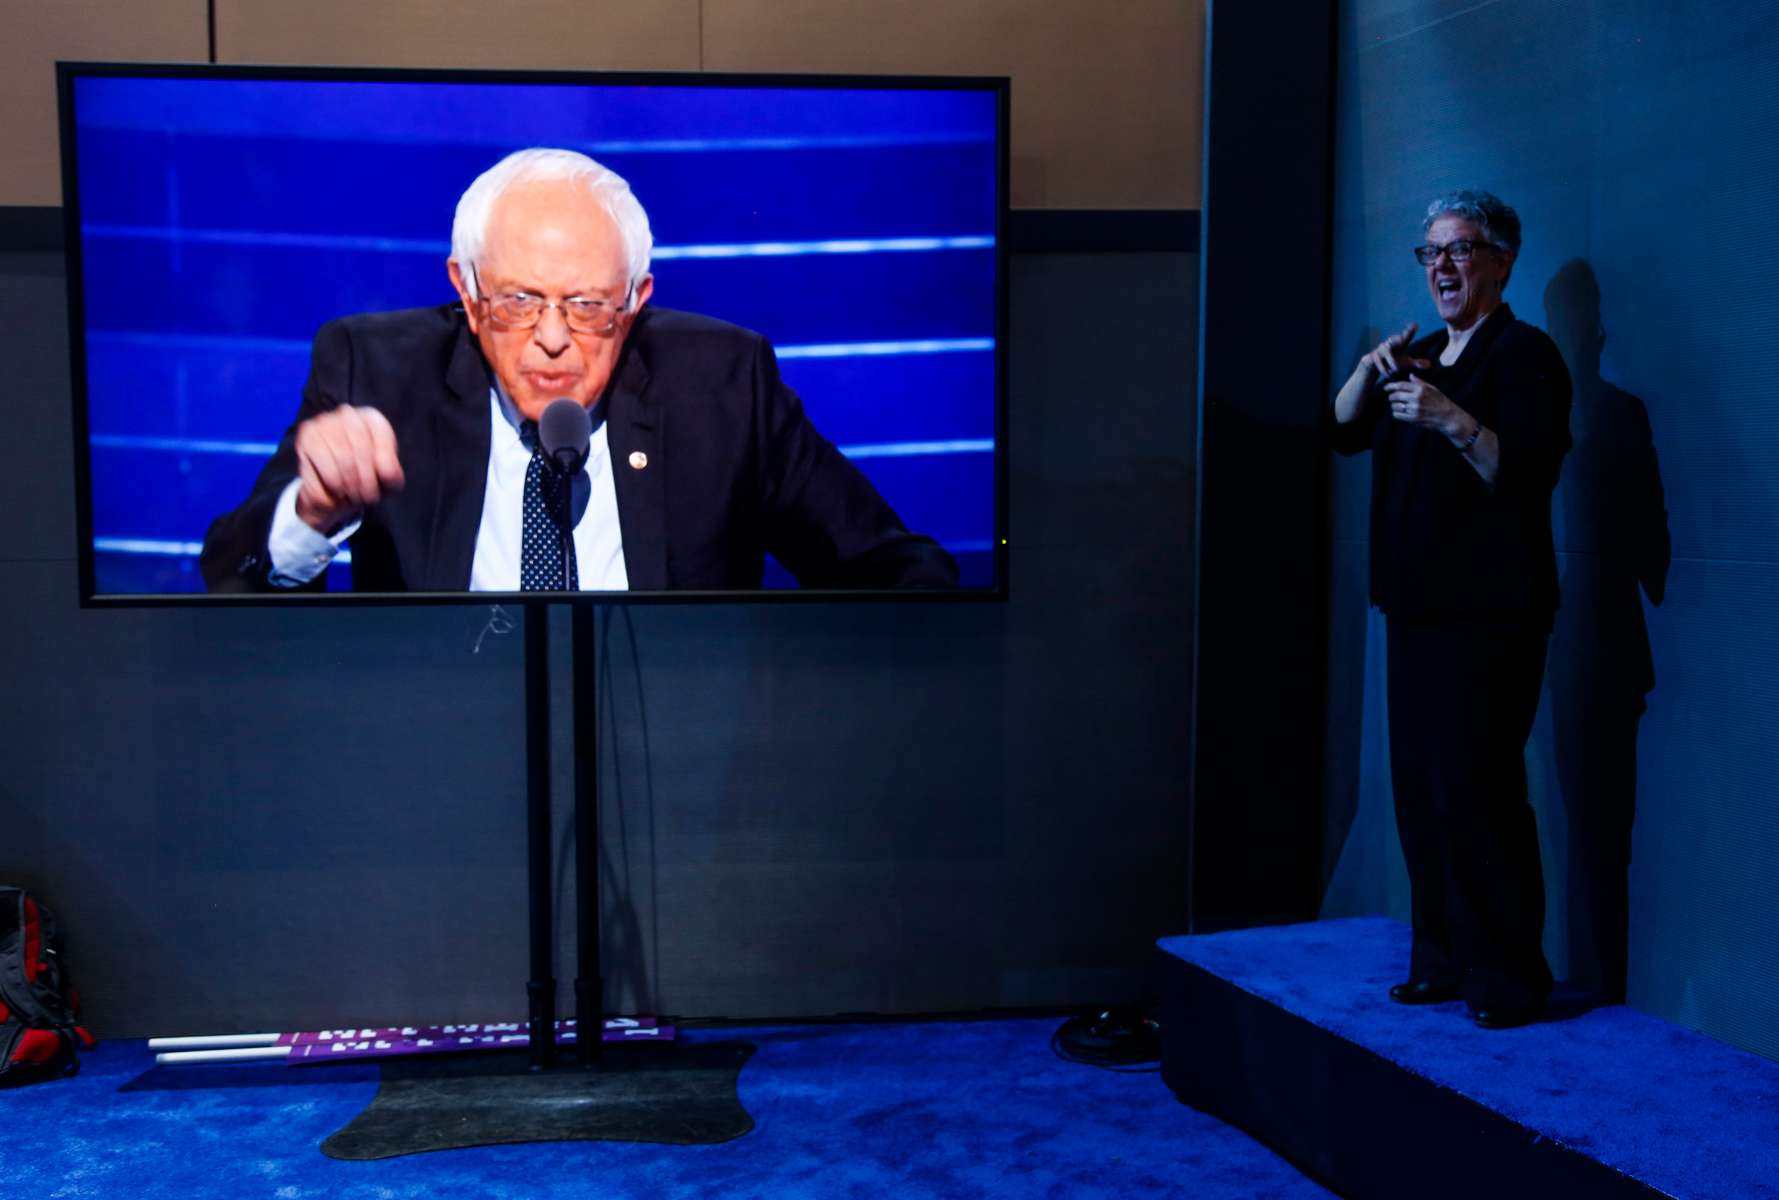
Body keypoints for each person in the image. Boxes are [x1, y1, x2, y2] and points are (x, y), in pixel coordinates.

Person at [200, 148, 958, 593]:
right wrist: (313, 512)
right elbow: (226, 576)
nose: (554, 338)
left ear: (636, 299)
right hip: (429, 757)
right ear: (466, 292)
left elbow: (895, 570)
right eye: (520, 301)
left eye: (590, 305)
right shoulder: (377, 370)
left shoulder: (723, 383)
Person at [1330, 190, 1572, 1028]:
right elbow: (1341, 431)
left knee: (1477, 790)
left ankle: (1506, 977)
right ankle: (1438, 962)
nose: (1440, 266)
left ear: (1502, 260)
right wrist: (1367, 370)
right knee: (1420, 791)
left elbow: (1527, 470)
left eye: (1460, 249)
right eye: (1429, 251)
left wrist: (1449, 418)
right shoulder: (1422, 351)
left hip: (1489, 614)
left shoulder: (1525, 355)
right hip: (1415, 607)